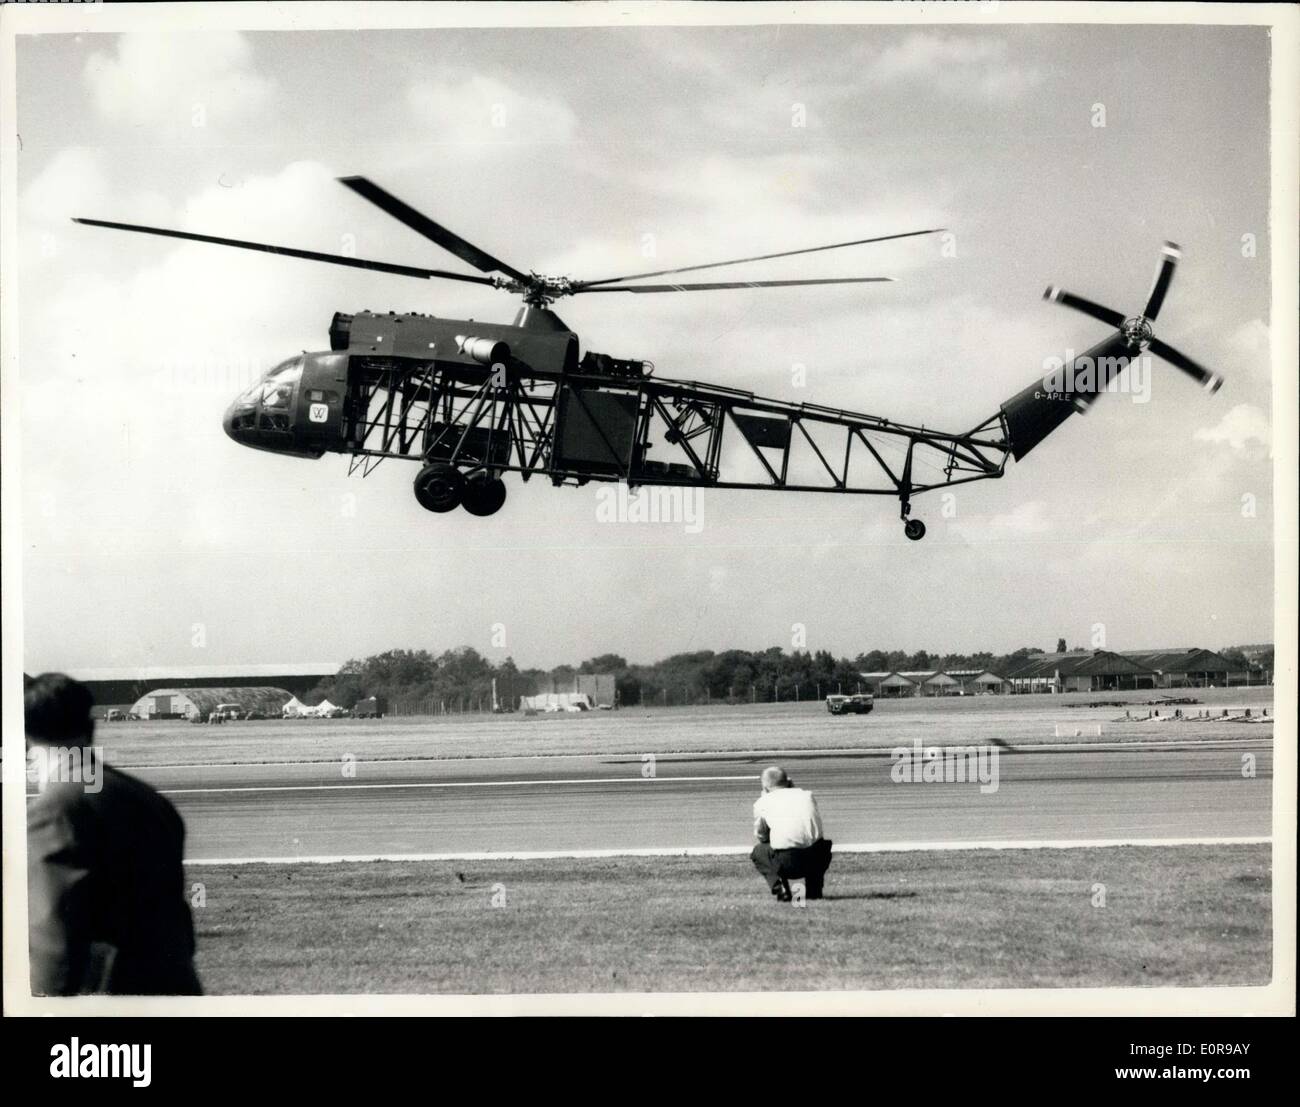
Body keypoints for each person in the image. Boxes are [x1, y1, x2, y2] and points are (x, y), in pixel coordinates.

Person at [26, 673, 202, 995]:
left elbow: (55, 943)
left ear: (28, 743)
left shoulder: (53, 812)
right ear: (91, 730)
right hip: (176, 989)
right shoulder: (151, 800)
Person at [749, 766, 833, 902]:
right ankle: (814, 890)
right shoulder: (807, 795)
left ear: (765, 787)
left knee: (759, 851)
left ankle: (780, 888)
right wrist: (792, 787)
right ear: (788, 781)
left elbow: (761, 836)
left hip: (787, 861)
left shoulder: (762, 803)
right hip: (816, 857)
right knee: (822, 844)